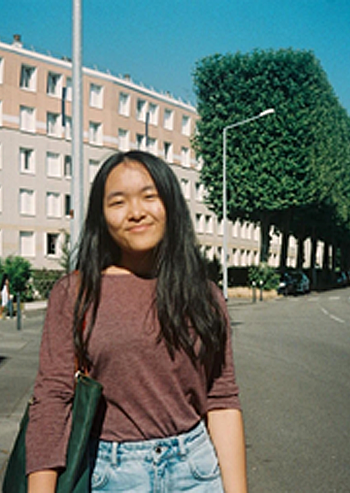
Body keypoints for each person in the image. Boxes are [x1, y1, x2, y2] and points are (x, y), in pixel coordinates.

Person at [25, 151, 247, 492]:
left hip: (197, 471)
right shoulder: (75, 293)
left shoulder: (205, 295)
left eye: (149, 196)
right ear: (101, 217)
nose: (136, 212)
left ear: (170, 204)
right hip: (111, 475)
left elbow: (221, 399)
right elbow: (53, 398)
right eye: (118, 202)